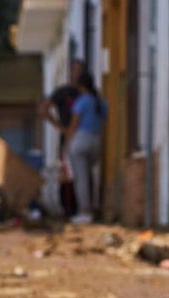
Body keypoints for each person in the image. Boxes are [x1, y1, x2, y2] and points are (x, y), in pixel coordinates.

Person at [40, 59, 84, 218]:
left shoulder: (85, 93)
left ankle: (80, 206)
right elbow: (44, 108)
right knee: (67, 171)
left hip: (83, 134)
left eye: (80, 70)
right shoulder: (63, 92)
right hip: (67, 136)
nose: (77, 73)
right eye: (74, 70)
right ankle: (68, 208)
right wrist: (59, 126)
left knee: (82, 172)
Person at [66, 71, 106, 224]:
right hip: (96, 140)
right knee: (92, 176)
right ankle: (95, 207)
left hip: (81, 140)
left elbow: (74, 124)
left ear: (81, 86)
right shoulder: (100, 102)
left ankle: (84, 212)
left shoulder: (82, 101)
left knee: (81, 178)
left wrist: (67, 143)